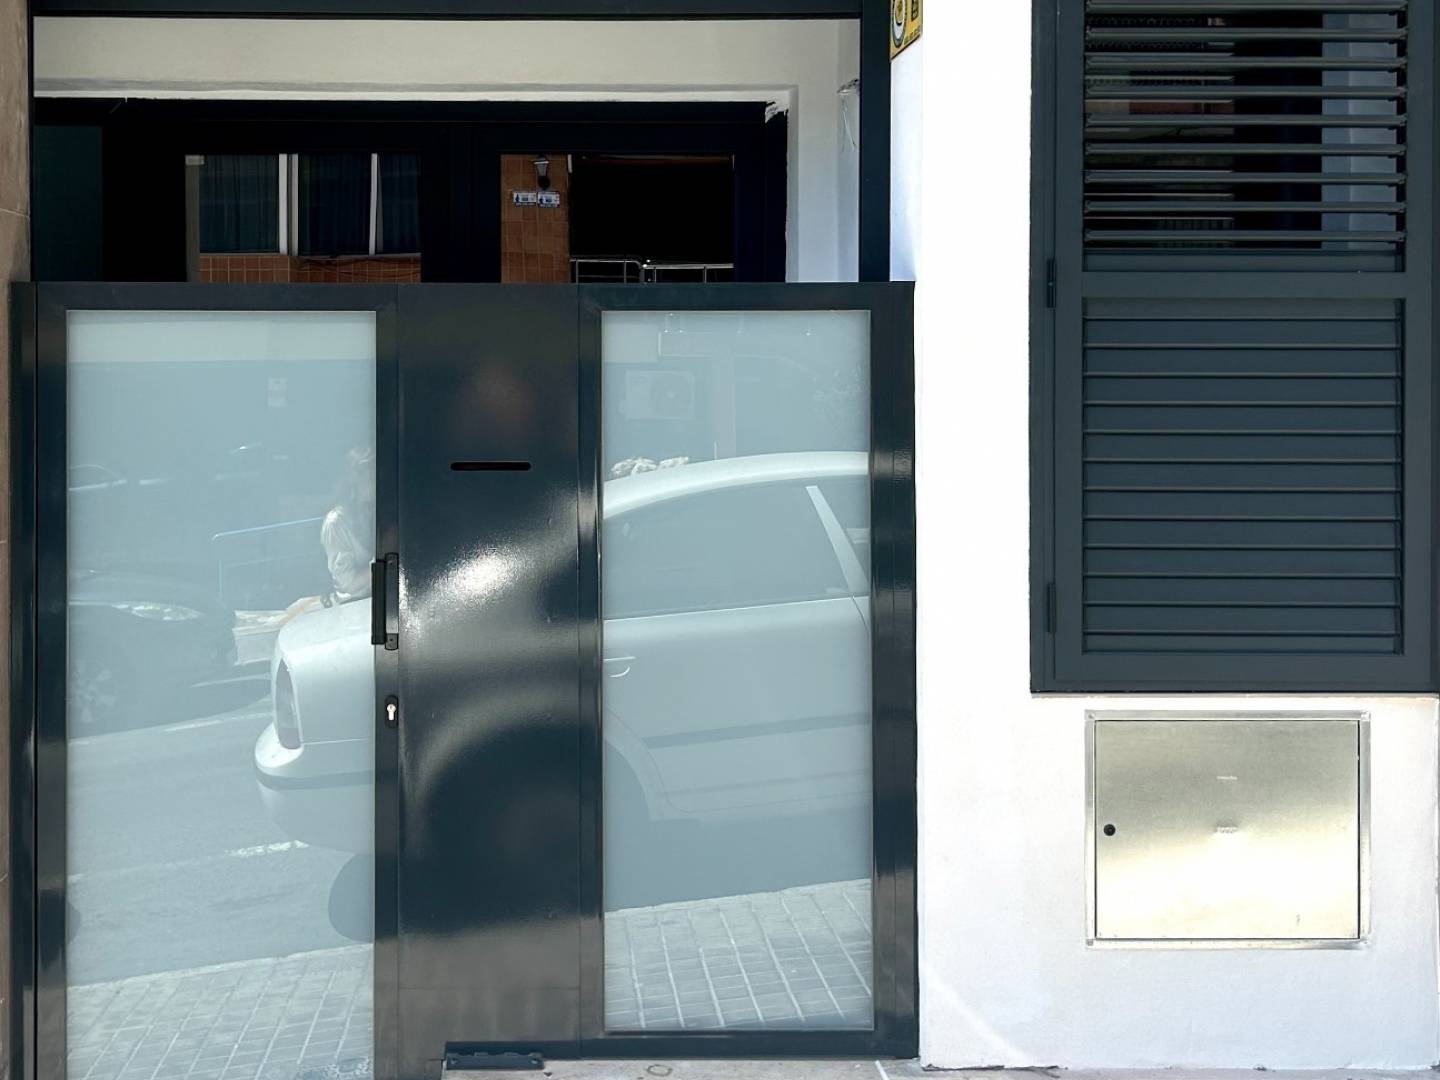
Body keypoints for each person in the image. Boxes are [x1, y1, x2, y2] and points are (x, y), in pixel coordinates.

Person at [284, 447, 375, 620]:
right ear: (356, 481)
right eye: (372, 476)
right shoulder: (336, 523)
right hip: (356, 613)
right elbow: (349, 584)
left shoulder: (380, 512)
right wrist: (386, 560)